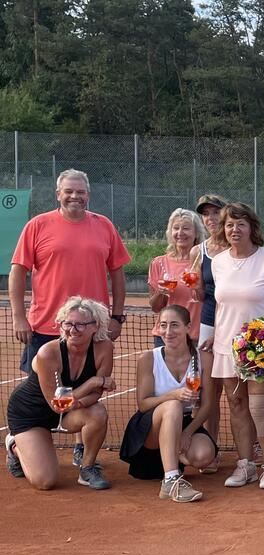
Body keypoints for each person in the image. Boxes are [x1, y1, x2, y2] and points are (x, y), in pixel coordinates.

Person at [10, 170, 130, 376]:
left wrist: (116, 318)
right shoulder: (37, 225)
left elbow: (118, 273)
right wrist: (19, 317)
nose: (75, 196)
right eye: (69, 191)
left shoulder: (105, 226)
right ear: (58, 194)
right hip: (46, 327)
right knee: (40, 397)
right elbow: (18, 271)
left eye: (80, 192)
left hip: (92, 327)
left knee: (87, 394)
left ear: (88, 196)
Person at [210, 202, 264, 490]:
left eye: (240, 224)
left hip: (261, 346)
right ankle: (245, 465)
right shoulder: (218, 262)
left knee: (259, 406)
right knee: (236, 405)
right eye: (229, 224)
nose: (234, 229)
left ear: (251, 227)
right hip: (227, 345)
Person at [5, 297, 115, 490]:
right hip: (31, 413)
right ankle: (14, 445)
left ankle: (87, 468)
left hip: (68, 411)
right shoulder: (48, 353)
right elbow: (57, 404)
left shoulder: (104, 348)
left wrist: (78, 404)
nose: (72, 330)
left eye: (80, 325)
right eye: (68, 323)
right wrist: (91, 382)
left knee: (97, 412)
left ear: (94, 327)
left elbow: (96, 394)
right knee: (45, 482)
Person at [119, 305, 217, 502]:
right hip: (149, 430)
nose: (168, 331)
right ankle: (171, 481)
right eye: (163, 325)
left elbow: (208, 405)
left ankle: (172, 459)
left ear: (188, 327)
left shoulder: (203, 358)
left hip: (183, 424)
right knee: (173, 405)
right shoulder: (148, 358)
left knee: (204, 455)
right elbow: (143, 405)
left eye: (174, 325)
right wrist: (173, 394)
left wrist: (187, 433)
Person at [191, 193, 229, 470]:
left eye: (216, 212)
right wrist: (194, 288)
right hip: (208, 323)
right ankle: (211, 446)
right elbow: (201, 293)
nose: (211, 218)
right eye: (206, 214)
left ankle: (249, 450)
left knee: (239, 390)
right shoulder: (198, 251)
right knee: (209, 392)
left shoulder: (237, 247)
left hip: (234, 323)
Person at [147, 209, 206, 346]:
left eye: (186, 228)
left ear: (196, 233)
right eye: (176, 228)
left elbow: (209, 299)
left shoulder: (205, 262)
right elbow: (155, 307)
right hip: (166, 337)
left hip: (196, 336)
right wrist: (160, 293)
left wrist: (197, 289)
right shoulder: (158, 263)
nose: (180, 233)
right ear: (170, 232)